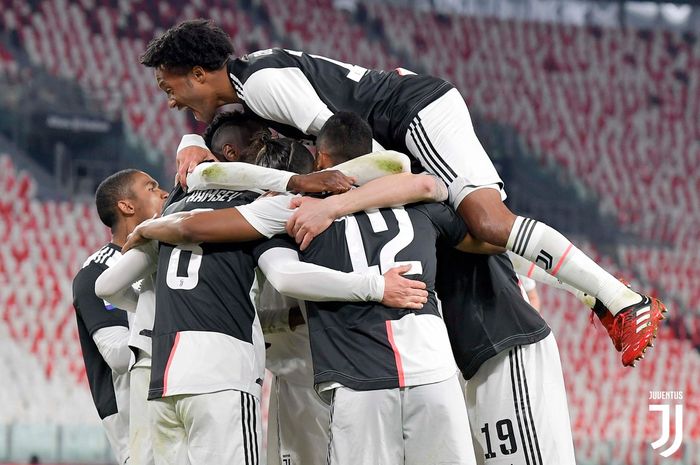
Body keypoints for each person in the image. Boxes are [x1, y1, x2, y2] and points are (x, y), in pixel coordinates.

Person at [140, 19, 666, 367]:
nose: (170, 102)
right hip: (401, 124)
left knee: (486, 221)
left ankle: (625, 301)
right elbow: (231, 130)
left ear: (200, 74)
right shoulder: (248, 80)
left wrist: (337, 201)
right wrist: (191, 140)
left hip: (413, 114)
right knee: (467, 234)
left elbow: (352, 146)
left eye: (170, 88)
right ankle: (598, 297)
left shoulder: (261, 83)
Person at [72, 169, 168, 465]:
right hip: (138, 430)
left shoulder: (169, 256)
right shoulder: (97, 273)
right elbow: (118, 355)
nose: (164, 193)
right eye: (151, 187)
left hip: (176, 411)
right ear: (126, 206)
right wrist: (178, 331)